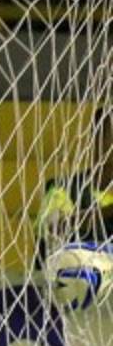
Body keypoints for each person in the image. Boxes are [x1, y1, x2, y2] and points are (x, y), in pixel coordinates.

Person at [35, 106, 113, 264]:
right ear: (96, 141)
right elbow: (52, 228)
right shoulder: (64, 189)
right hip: (76, 276)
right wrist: (105, 213)